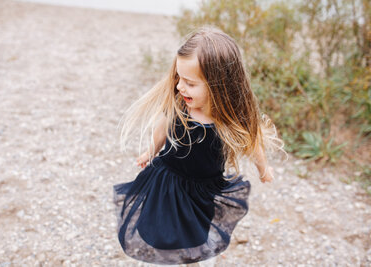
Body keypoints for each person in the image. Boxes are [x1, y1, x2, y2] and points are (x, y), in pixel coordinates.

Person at [113, 26, 286, 265]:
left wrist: (264, 169)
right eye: (179, 78)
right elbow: (162, 128)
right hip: (168, 183)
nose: (180, 87)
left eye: (190, 83)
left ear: (218, 86)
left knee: (199, 241)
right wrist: (150, 151)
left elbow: (253, 142)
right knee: (159, 233)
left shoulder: (228, 120)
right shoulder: (179, 104)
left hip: (202, 193)